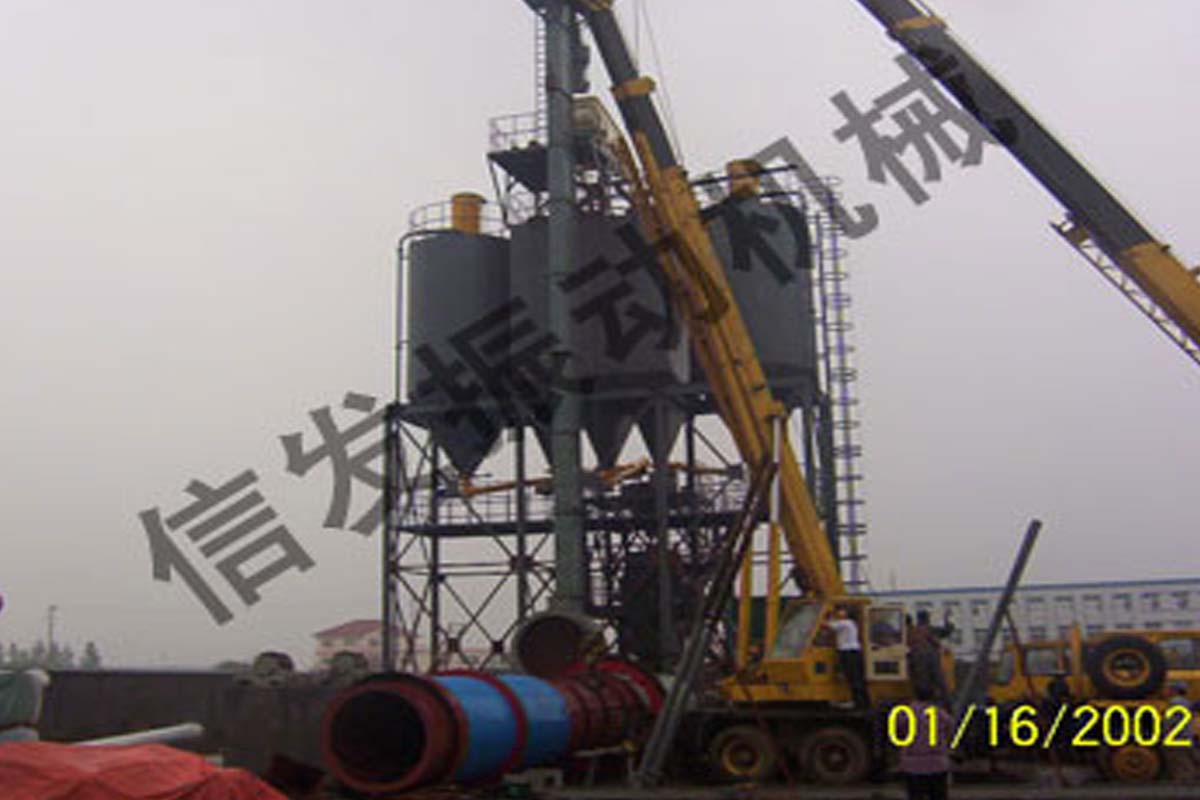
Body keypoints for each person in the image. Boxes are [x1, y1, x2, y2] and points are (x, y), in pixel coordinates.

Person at [898, 684, 953, 800]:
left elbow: (899, 732)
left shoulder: (906, 713)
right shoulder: (940, 714)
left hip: (913, 766)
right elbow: (949, 731)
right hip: (937, 764)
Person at [825, 606, 870, 709]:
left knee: (854, 677)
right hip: (849, 651)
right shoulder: (847, 623)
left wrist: (827, 615)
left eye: (841, 611)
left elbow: (827, 625)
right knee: (853, 677)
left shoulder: (846, 623)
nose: (838, 613)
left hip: (849, 652)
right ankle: (859, 701)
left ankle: (859, 702)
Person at [908, 610, 952, 704]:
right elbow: (947, 631)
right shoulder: (931, 630)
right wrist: (947, 619)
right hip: (929, 658)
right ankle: (945, 702)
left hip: (915, 660)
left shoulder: (912, 631)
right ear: (927, 619)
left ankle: (921, 700)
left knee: (919, 683)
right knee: (938, 681)